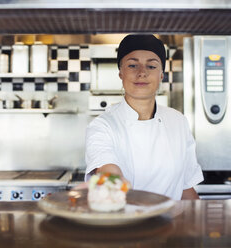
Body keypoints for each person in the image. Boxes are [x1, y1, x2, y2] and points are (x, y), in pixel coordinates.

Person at [84, 34, 203, 200]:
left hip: (171, 224)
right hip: (125, 223)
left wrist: (200, 223)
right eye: (132, 65)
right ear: (120, 73)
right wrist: (114, 182)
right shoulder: (103, 125)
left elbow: (185, 187)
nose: (142, 73)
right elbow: (108, 170)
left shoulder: (178, 122)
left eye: (151, 66)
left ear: (161, 74)